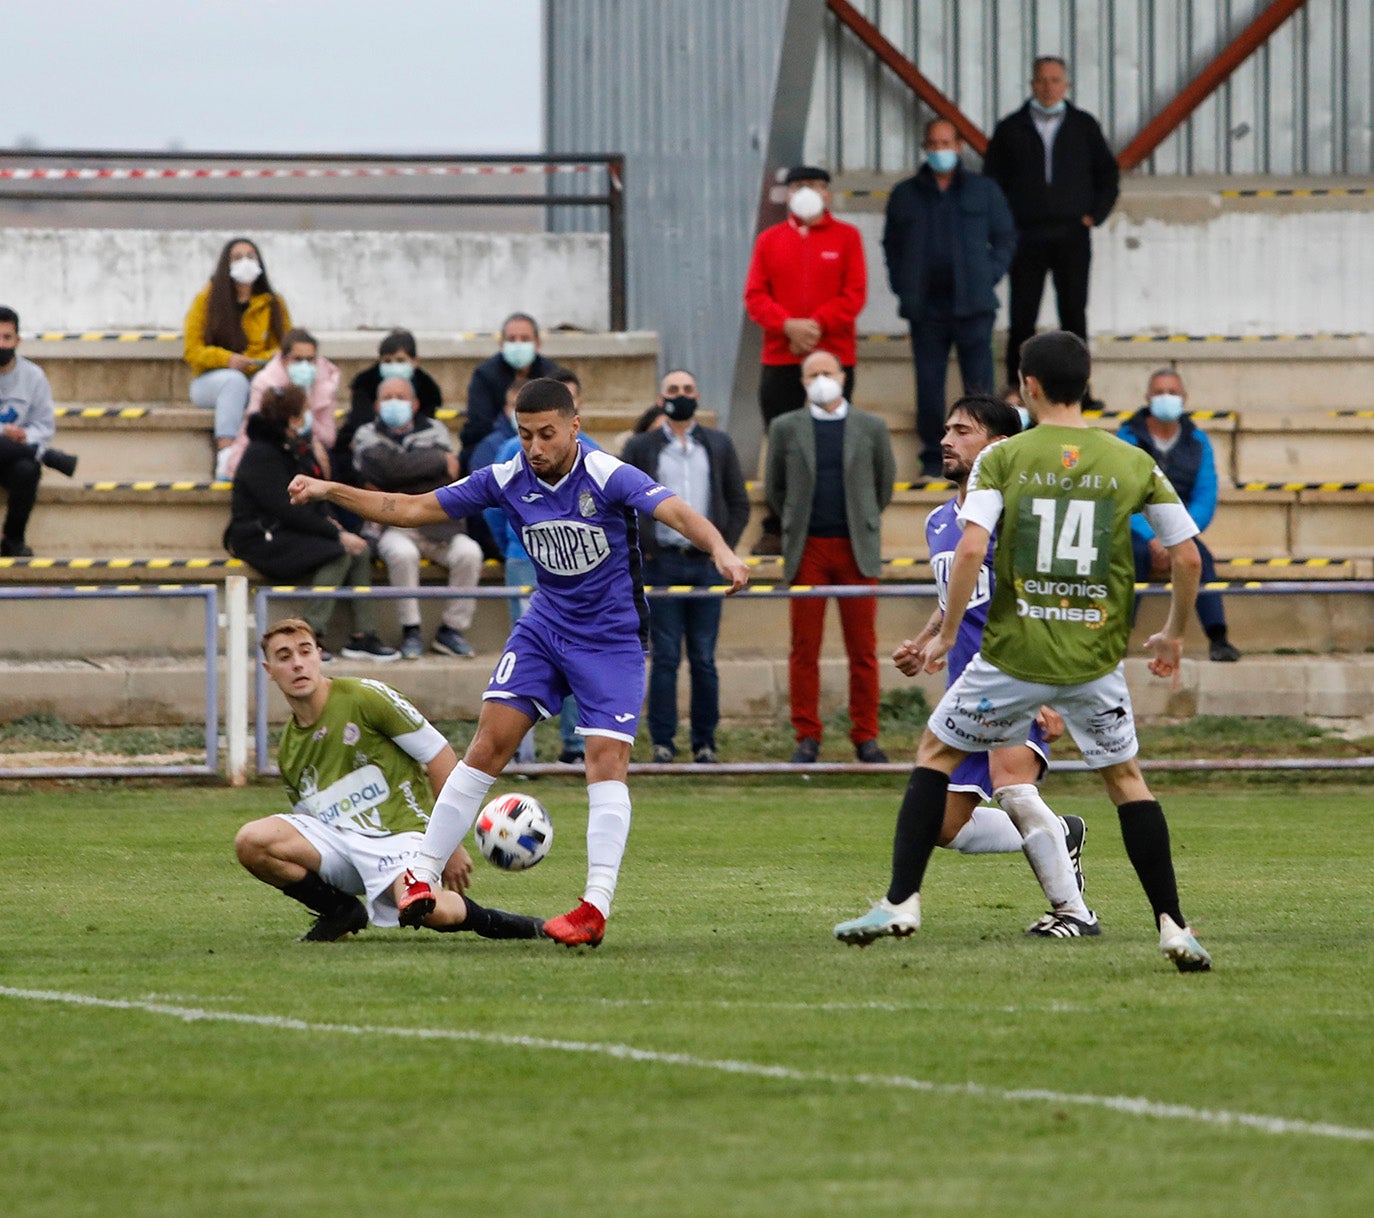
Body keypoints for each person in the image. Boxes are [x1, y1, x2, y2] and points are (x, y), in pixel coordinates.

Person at [288, 377, 750, 948]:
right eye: (525, 434)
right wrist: (330, 488)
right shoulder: (508, 477)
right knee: (488, 744)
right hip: (546, 628)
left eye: (547, 435)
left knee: (605, 762)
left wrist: (722, 550)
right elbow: (408, 508)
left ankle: (593, 907)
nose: (535, 447)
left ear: (574, 428)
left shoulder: (605, 474)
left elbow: (676, 510)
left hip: (611, 639)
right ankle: (421, 875)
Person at [835, 330, 1212, 971]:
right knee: (1127, 783)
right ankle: (1174, 926)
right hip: (1093, 658)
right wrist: (1174, 631)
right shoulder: (1131, 460)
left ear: (1028, 385)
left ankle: (902, 901)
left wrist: (948, 633)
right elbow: (1187, 555)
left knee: (933, 751)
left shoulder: (1004, 460)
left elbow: (975, 550)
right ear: (1086, 384)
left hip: (1013, 655)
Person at [834, 395, 1091, 946]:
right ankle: (1059, 832)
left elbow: (1040, 598)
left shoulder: (1020, 513)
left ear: (998, 445)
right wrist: (927, 640)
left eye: (963, 431)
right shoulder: (938, 520)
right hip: (965, 689)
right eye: (946, 429)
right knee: (946, 826)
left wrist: (1051, 688)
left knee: (1013, 788)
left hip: (1017, 674)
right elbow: (962, 594)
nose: (947, 440)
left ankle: (1074, 911)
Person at [235, 617, 544, 942]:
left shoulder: (365, 697)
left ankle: (512, 925)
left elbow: (440, 756)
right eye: (284, 657)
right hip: (341, 844)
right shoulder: (289, 747)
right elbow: (307, 821)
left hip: (401, 837)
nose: (297, 664)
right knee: (251, 841)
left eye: (304, 651)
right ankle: (340, 912)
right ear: (269, 670)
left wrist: (447, 846)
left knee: (431, 910)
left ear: (319, 655)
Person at [765, 349, 895, 765]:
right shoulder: (786, 427)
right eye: (812, 374)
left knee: (864, 649)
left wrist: (865, 520)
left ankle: (866, 736)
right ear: (802, 382)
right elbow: (775, 488)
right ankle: (807, 735)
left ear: (842, 376)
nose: (821, 379)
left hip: (857, 549)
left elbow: (884, 482)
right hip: (809, 549)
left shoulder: (871, 427)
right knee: (804, 648)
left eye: (827, 372)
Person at [622, 368, 750, 763]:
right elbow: (624, 501)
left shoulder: (718, 444)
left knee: (704, 658)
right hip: (661, 565)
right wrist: (645, 548)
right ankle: (662, 741)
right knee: (664, 658)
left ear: (698, 395)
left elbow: (737, 501)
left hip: (706, 568)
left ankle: (705, 743)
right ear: (661, 399)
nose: (681, 395)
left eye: (688, 389)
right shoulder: (641, 447)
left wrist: (721, 547)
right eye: (673, 389)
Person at [223, 384, 398, 661]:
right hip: (261, 537)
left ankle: (365, 635)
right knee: (338, 554)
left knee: (360, 550)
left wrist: (333, 525)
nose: (308, 417)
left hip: (289, 530)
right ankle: (310, 635)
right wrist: (335, 534)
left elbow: (312, 499)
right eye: (305, 411)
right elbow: (285, 509)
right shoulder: (262, 454)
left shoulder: (293, 447)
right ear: (293, 418)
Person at [882, 119, 1016, 478]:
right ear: (925, 148)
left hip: (973, 304)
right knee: (928, 384)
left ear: (959, 147)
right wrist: (902, 286)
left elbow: (1004, 238)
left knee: (980, 387)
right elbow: (892, 247)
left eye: (946, 142)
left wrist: (989, 275)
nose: (940, 149)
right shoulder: (905, 194)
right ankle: (932, 458)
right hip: (925, 308)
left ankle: (985, 459)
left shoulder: (983, 190)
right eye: (933, 143)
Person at [744, 165, 867, 555]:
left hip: (835, 358)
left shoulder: (847, 238)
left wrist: (814, 327)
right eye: (798, 185)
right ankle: (778, 525)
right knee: (782, 443)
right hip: (780, 358)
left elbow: (855, 294)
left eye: (814, 185)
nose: (806, 192)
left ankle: (836, 524)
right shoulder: (769, 240)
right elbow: (755, 296)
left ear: (828, 193)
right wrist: (788, 327)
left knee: (834, 441)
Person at [477, 371, 596, 768]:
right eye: (530, 433)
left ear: (571, 418)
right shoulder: (511, 452)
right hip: (524, 562)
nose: (537, 445)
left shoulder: (596, 456)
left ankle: (575, 748)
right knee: (530, 652)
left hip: (582, 569)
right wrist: (518, 541)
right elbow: (495, 509)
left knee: (579, 654)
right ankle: (518, 752)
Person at [982, 57, 1120, 384]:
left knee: (1073, 315)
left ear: (1066, 86)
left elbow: (1108, 175)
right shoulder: (1011, 128)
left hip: (1072, 234)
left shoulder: (1084, 125)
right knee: (1022, 317)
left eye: (1055, 80)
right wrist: (1005, 225)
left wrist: (1093, 216)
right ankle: (1018, 389)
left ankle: (1077, 389)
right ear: (1032, 84)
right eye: (1042, 80)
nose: (1048, 87)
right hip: (1026, 235)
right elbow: (992, 181)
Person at [352, 376, 481, 661]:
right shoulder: (365, 433)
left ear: (415, 403)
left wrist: (395, 476)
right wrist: (432, 462)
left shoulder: (435, 429)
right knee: (402, 554)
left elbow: (449, 471)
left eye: (401, 396)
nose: (394, 402)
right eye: (387, 397)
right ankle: (411, 629)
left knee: (470, 553)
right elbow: (377, 467)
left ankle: (451, 630)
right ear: (376, 404)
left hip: (439, 526)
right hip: (393, 525)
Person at [1118, 368, 1241, 662]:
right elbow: (1122, 494)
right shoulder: (1127, 437)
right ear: (1148, 397)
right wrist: (1151, 536)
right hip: (1136, 529)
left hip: (1180, 529)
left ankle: (1218, 637)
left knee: (1201, 560)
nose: (1166, 398)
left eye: (1173, 393)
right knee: (1131, 556)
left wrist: (1175, 535)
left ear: (1184, 398)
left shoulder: (1197, 442)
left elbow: (1205, 497)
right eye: (1159, 392)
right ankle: (1118, 637)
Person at [183, 237, 292, 480]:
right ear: (226, 264)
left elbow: (285, 349)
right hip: (209, 382)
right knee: (234, 381)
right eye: (238, 257)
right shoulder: (207, 300)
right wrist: (227, 359)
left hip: (256, 377)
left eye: (250, 256)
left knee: (268, 385)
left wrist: (254, 360)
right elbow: (192, 350)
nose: (245, 262)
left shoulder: (273, 304)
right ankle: (226, 453)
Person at [0, 306, 78, 558]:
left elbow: (44, 425)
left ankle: (13, 540)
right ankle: (44, 455)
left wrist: (25, 437)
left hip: (12, 459)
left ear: (18, 340)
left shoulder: (33, 377)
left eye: (7, 338)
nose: (1, 344)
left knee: (28, 470)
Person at [220, 328, 340, 481]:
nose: (305, 365)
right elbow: (254, 429)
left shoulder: (325, 384)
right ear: (284, 360)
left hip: (310, 449)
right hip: (276, 447)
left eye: (310, 359)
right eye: (298, 359)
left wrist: (309, 417)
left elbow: (329, 438)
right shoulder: (266, 383)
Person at [334, 328, 444, 486]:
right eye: (387, 361)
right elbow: (358, 432)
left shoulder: (428, 390)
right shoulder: (364, 386)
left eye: (400, 360)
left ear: (415, 361)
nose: (394, 366)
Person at [458, 312, 564, 474]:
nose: (518, 344)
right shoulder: (485, 375)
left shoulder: (552, 375)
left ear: (537, 343)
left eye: (525, 339)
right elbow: (479, 425)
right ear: (501, 344)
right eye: (512, 339)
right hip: (493, 447)